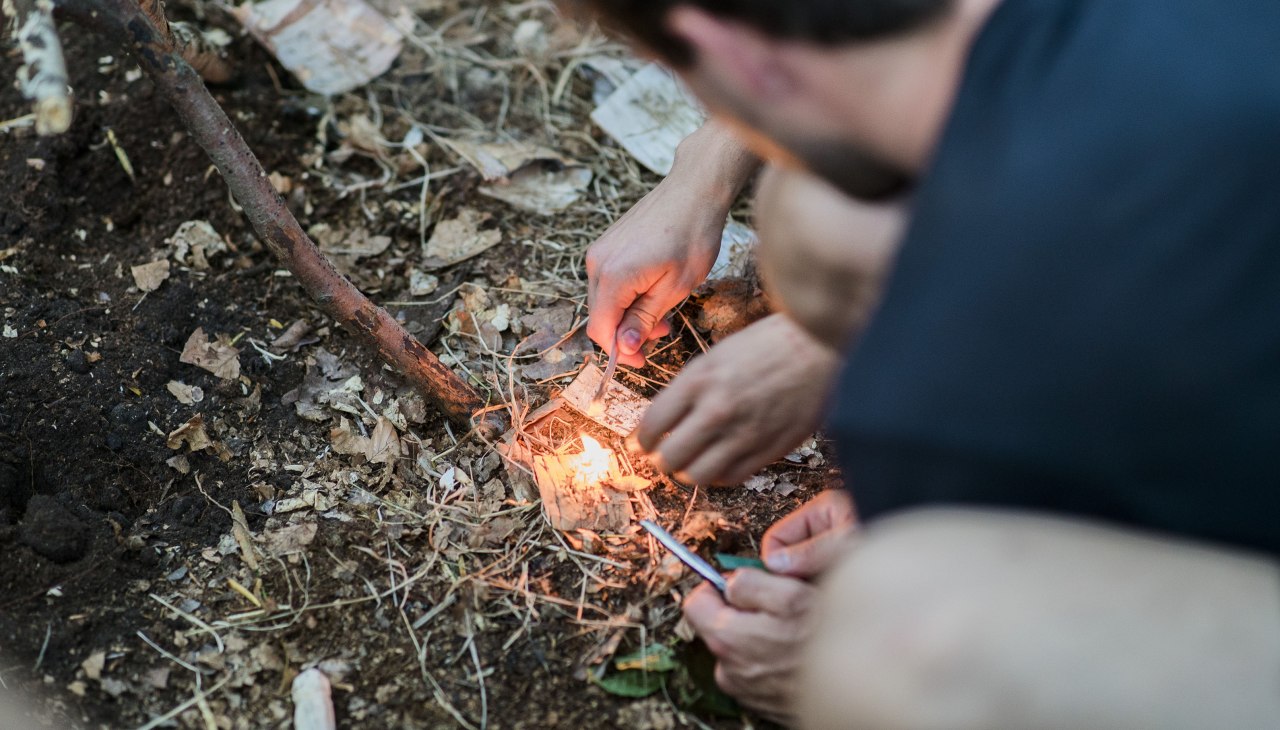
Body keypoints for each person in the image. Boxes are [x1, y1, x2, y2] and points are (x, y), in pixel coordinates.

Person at [569, 0, 1280, 726]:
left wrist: (826, 665)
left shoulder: (932, 405)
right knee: (819, 223)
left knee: (892, 643)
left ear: (715, 43)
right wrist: (705, 172)